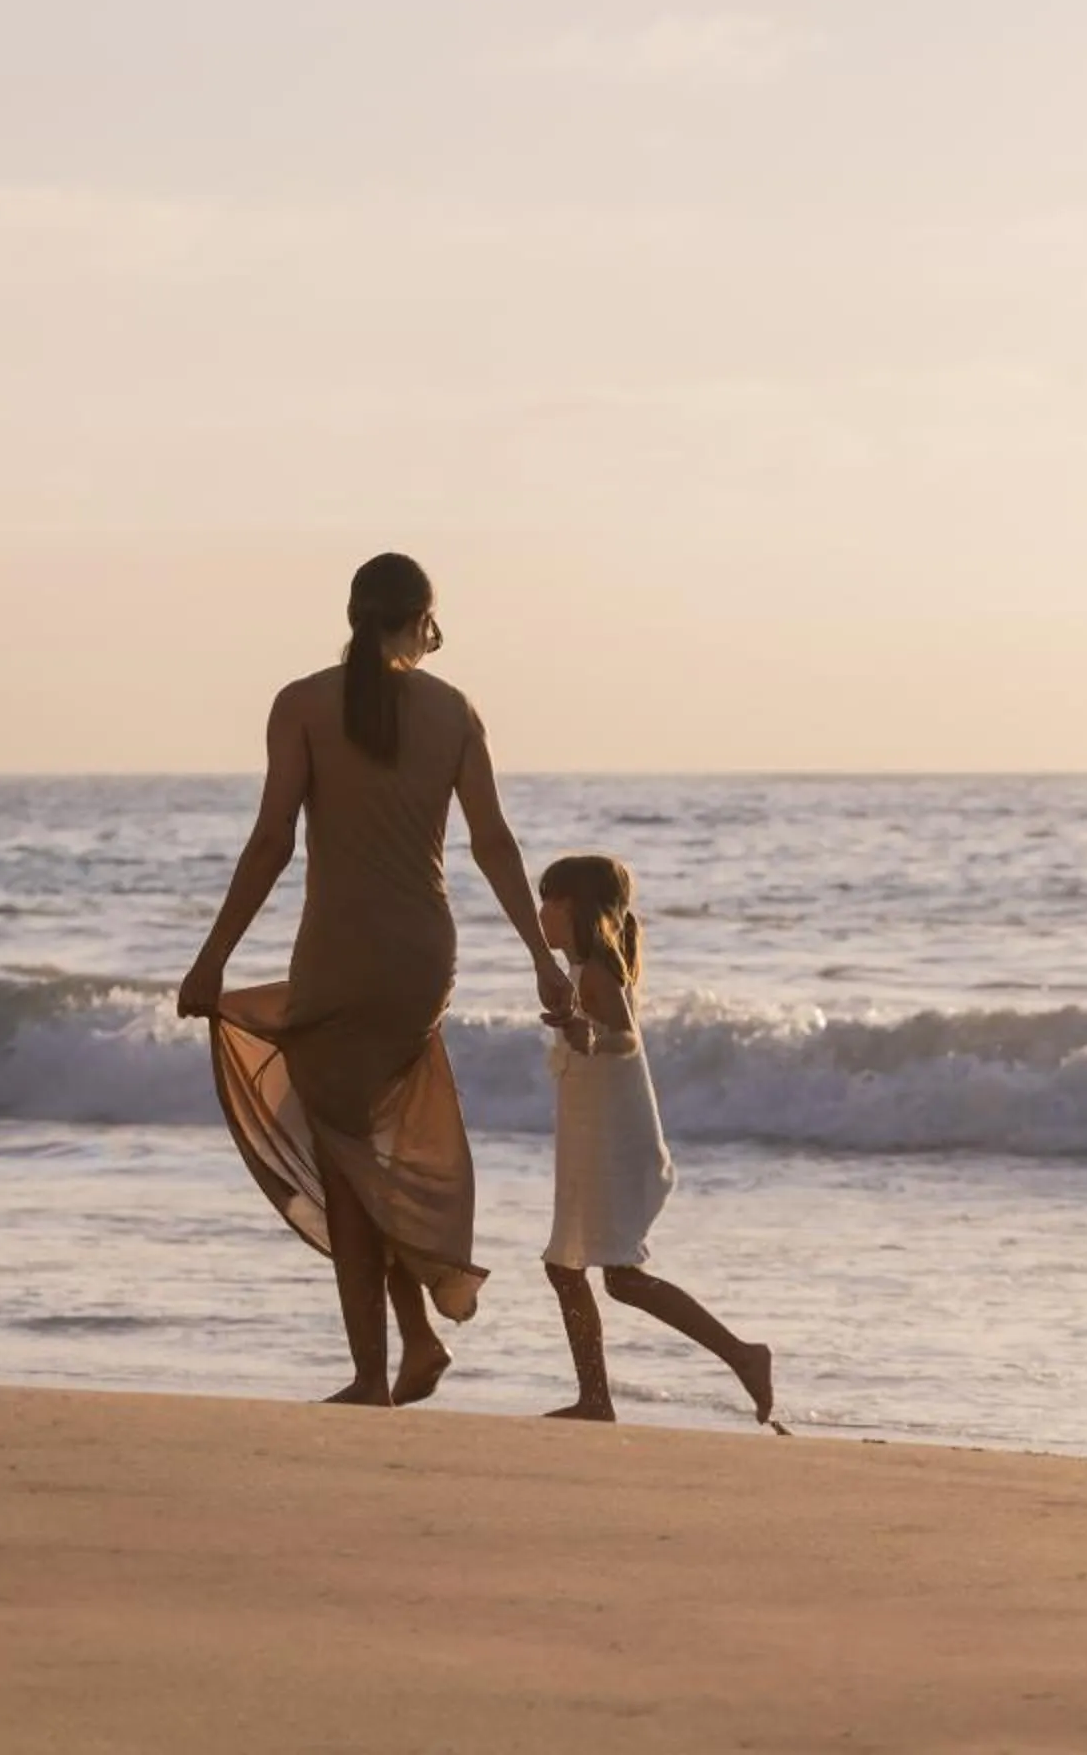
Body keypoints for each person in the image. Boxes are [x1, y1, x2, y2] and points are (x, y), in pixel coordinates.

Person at [175, 553, 572, 1407]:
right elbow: (493, 844)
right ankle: (415, 1346)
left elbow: (272, 842)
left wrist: (213, 956)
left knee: (344, 1156)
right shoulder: (453, 710)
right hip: (422, 959)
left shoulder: (303, 704)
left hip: (338, 954)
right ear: (421, 618)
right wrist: (542, 960)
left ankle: (377, 1371)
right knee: (357, 1157)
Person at [535, 851, 777, 1427]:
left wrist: (583, 1031)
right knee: (581, 1272)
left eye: (547, 901)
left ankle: (741, 1356)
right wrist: (579, 1031)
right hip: (594, 1138)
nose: (539, 913)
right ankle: (598, 1398)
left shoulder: (596, 972)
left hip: (614, 1147)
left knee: (604, 1275)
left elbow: (621, 1039)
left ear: (572, 909)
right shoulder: (580, 971)